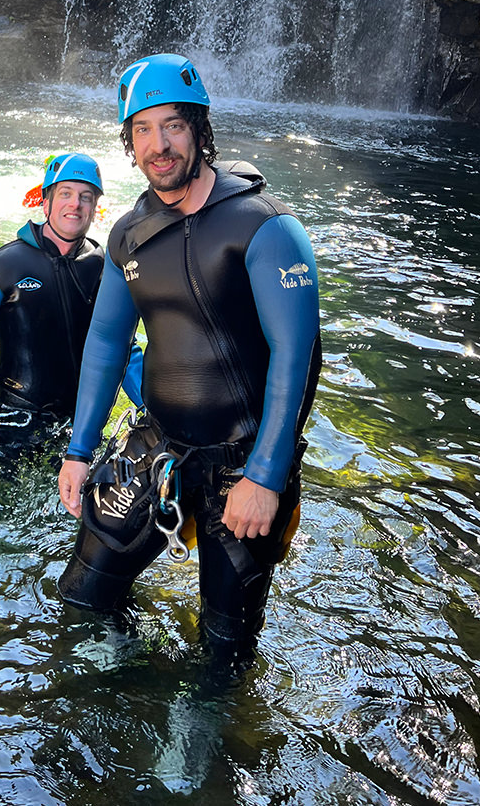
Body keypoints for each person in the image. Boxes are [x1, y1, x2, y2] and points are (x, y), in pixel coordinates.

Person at [57, 54, 322, 659]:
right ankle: (111, 708)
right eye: (142, 130)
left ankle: (197, 740)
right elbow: (104, 342)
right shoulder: (128, 235)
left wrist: (266, 475)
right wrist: (78, 451)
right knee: (82, 598)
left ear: (200, 129)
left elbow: (296, 354)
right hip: (157, 447)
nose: (159, 145)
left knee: (223, 651)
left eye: (173, 125)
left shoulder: (264, 226)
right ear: (128, 143)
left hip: (243, 460)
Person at [0, 152, 142, 457]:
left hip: (75, 427)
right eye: (66, 194)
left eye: (86, 197)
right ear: (45, 203)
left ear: (95, 208)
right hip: (7, 421)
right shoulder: (5, 266)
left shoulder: (102, 267)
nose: (75, 204)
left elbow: (124, 349)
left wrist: (153, 409)